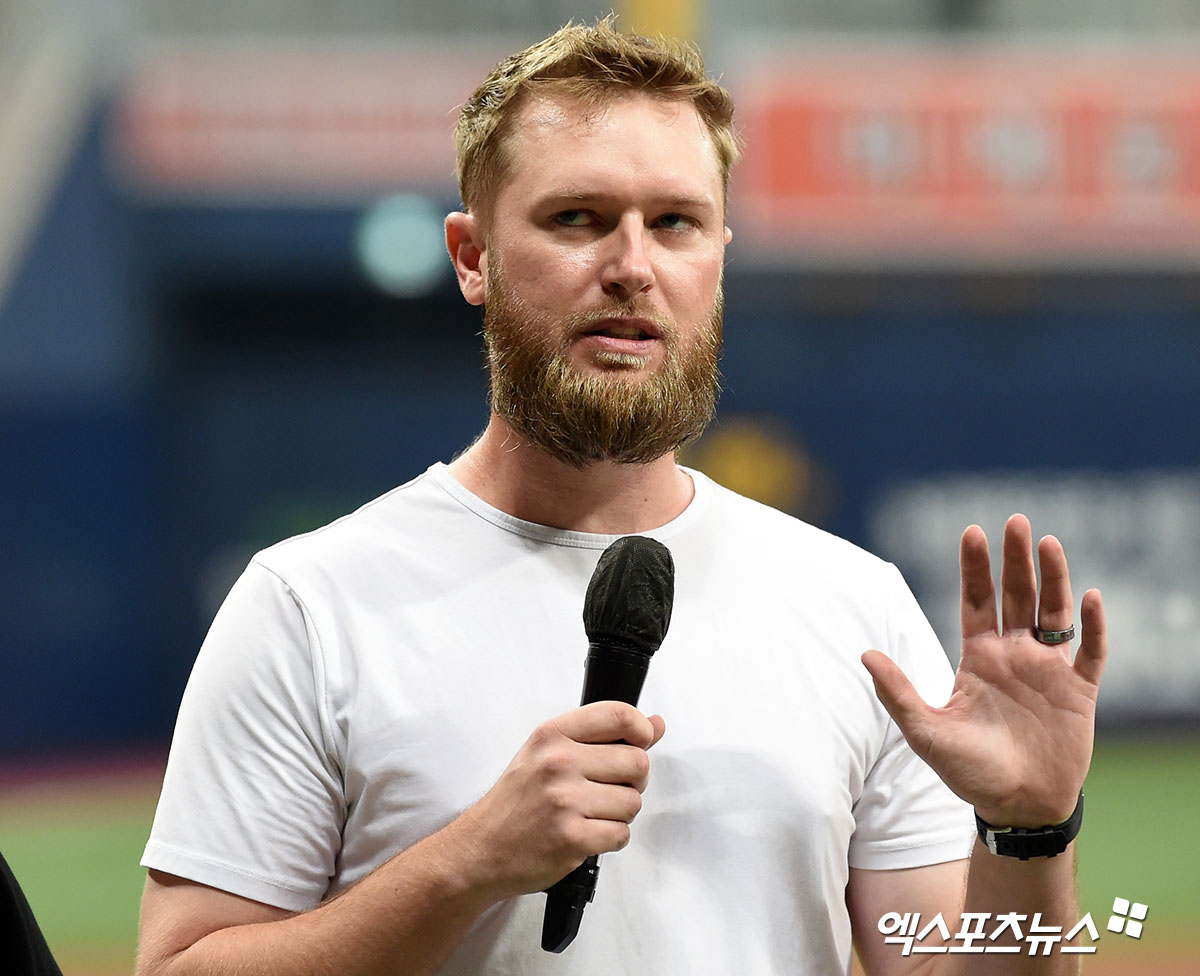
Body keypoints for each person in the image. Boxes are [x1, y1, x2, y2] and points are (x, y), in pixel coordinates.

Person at [135, 18, 1108, 976]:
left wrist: (1028, 832)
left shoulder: (854, 606)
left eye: (674, 223)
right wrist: (465, 863)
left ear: (719, 255)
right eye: (577, 219)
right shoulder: (311, 607)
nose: (632, 267)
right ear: (473, 257)